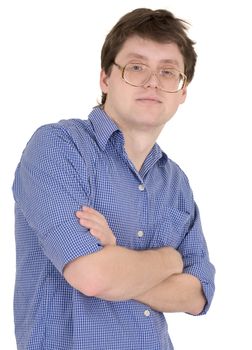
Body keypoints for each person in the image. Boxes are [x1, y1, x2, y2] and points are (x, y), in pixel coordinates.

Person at [12, 8, 215, 350]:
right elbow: (92, 277)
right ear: (106, 78)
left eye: (168, 72)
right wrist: (170, 260)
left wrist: (118, 260)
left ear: (182, 91)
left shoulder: (175, 183)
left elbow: (196, 296)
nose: (153, 81)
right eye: (136, 67)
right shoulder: (58, 148)